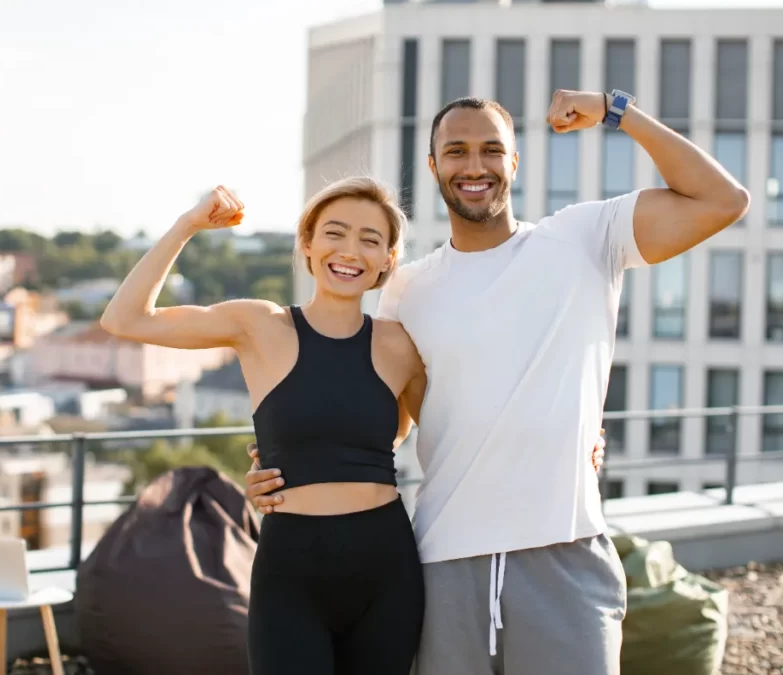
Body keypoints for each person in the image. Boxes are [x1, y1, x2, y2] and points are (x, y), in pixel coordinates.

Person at [244, 89, 751, 675]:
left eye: (491, 150)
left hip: (564, 552)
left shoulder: (587, 237)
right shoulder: (407, 288)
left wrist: (617, 111)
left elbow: (723, 199)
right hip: (442, 562)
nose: (474, 165)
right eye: (455, 151)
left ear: (514, 162)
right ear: (434, 167)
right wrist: (286, 468)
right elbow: (384, 423)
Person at [101, 176, 606, 675]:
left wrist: (577, 434)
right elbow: (126, 318)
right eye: (335, 233)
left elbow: (455, 428)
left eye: (371, 239)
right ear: (308, 243)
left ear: (388, 260)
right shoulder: (260, 325)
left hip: (384, 568)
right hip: (290, 570)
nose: (350, 250)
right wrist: (188, 225)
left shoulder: (399, 346)